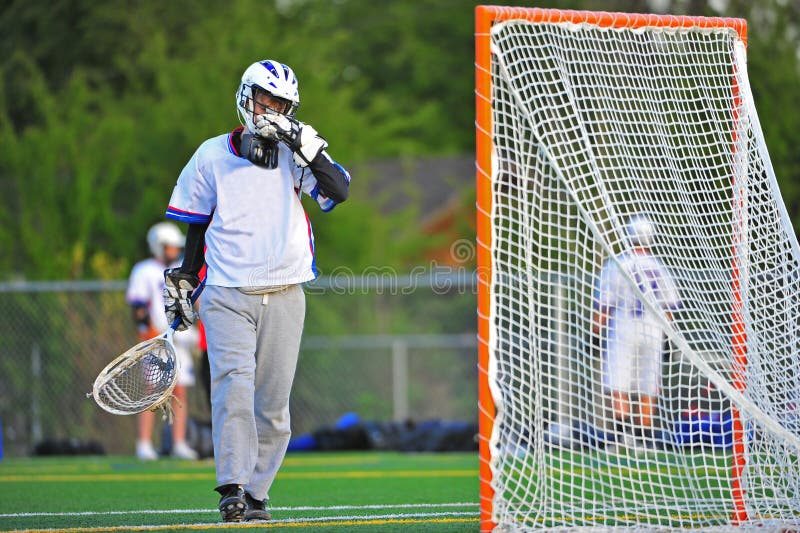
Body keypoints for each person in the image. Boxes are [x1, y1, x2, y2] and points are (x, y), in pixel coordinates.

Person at [161, 59, 350, 522]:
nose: (272, 110)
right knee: (233, 389)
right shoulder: (211, 155)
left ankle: (258, 493)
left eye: (282, 104)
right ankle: (232, 488)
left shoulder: (294, 154)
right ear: (247, 97)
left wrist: (307, 146)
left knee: (273, 405)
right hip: (227, 292)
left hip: (286, 290)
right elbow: (197, 223)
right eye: (266, 99)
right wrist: (187, 275)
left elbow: (338, 191)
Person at [593, 215, 681, 451]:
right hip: (653, 331)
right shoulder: (660, 268)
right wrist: (668, 339)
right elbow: (669, 309)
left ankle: (623, 436)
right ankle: (643, 438)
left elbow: (604, 307)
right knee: (648, 384)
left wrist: (594, 334)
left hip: (624, 328)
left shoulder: (616, 265)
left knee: (618, 383)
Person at [126, 222, 199, 461]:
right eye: (170, 246)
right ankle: (144, 443)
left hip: (180, 341)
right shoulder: (144, 271)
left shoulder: (182, 268)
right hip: (157, 341)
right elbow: (139, 310)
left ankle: (179, 443)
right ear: (158, 246)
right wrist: (152, 336)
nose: (175, 250)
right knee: (153, 391)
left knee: (180, 392)